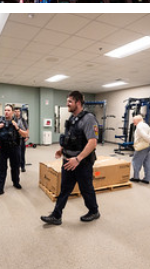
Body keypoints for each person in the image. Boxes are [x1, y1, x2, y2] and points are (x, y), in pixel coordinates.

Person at [41, 91, 100, 225]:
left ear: (78, 103)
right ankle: (56, 216)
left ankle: (94, 211)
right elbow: (68, 137)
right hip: (68, 160)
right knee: (64, 189)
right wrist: (61, 150)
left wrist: (78, 159)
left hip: (82, 162)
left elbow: (92, 142)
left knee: (86, 189)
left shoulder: (89, 119)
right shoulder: (72, 119)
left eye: (70, 102)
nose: (67, 104)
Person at [0, 104, 25, 197]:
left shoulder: (18, 121)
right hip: (2, 149)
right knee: (1, 168)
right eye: (5, 110)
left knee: (15, 167)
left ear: (12, 112)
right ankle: (0, 189)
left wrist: (17, 127)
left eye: (8, 110)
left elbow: (25, 134)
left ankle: (16, 182)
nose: (6, 112)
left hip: (14, 148)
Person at [130, 114, 150, 184]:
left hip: (142, 146)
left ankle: (136, 177)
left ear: (137, 120)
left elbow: (145, 136)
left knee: (136, 161)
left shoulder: (139, 126)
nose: (133, 122)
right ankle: (147, 179)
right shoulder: (146, 125)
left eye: (134, 120)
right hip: (149, 146)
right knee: (148, 162)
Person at [15, 106, 28, 171]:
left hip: (22, 139)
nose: (17, 113)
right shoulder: (12, 120)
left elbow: (27, 128)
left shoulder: (23, 120)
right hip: (15, 139)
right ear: (14, 112)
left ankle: (22, 166)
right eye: (16, 111)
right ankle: (16, 166)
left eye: (18, 111)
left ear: (20, 112)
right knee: (16, 154)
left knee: (22, 153)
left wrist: (27, 136)